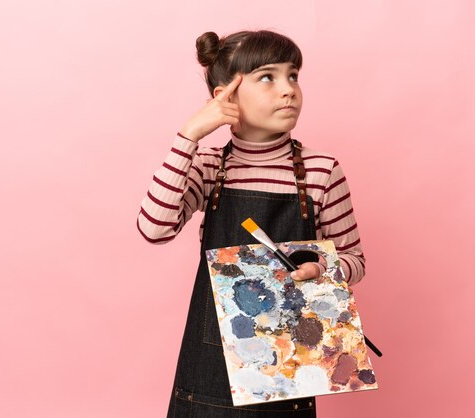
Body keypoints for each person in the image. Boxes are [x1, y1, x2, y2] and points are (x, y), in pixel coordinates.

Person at [137, 29, 366, 418]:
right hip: (212, 359)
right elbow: (154, 228)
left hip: (287, 363)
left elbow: (354, 259)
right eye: (268, 77)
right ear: (224, 96)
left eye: (293, 75)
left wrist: (323, 268)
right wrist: (189, 135)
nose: (288, 89)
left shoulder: (320, 170)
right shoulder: (210, 168)